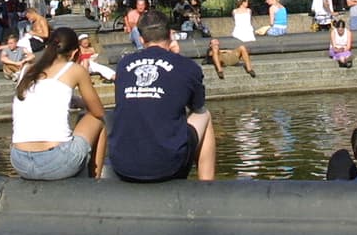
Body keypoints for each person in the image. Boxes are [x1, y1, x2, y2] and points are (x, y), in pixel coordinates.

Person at [108, 10, 216, 182]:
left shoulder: (123, 65)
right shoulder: (187, 67)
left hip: (123, 165)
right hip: (167, 166)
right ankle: (207, 185)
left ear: (142, 39)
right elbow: (196, 105)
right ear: (170, 34)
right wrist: (175, 57)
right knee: (204, 114)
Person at [11, 26, 107, 180]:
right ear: (75, 52)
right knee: (97, 120)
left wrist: (74, 100)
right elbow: (98, 111)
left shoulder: (28, 70)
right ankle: (95, 180)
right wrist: (83, 104)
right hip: (56, 162)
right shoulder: (75, 69)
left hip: (20, 161)